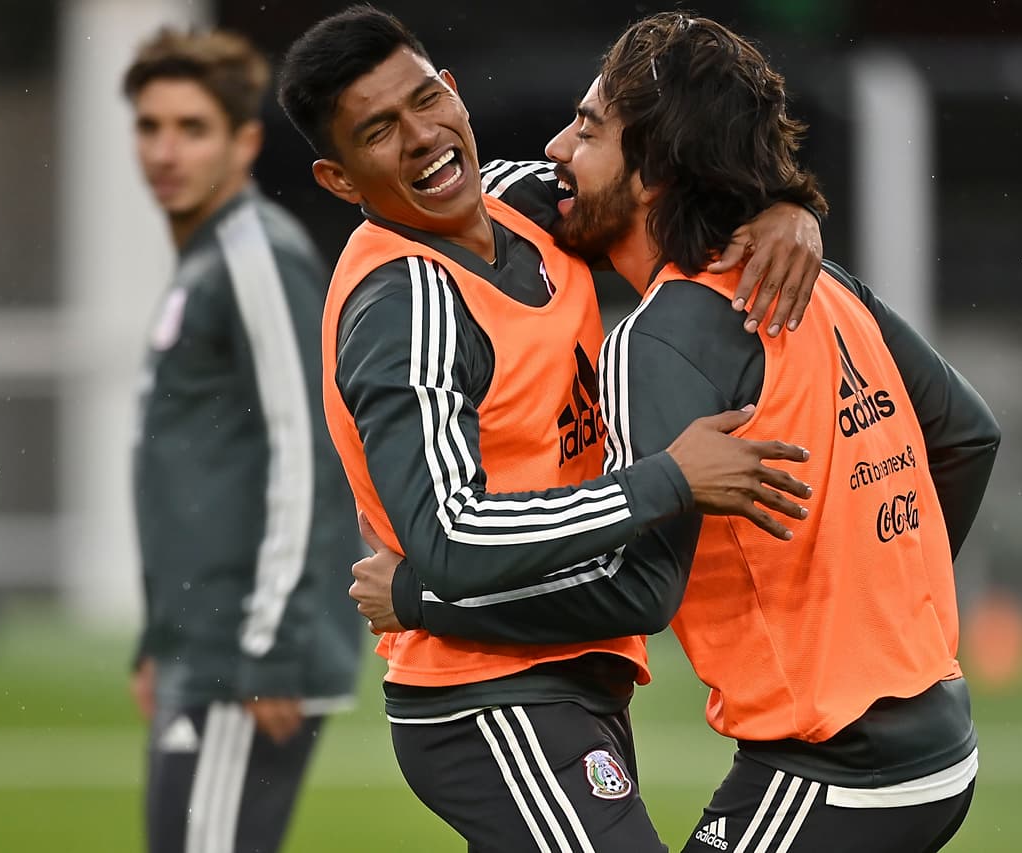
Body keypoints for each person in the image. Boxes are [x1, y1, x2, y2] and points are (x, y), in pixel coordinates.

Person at [354, 12, 1001, 853]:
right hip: (937, 739)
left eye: (587, 128)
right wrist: (871, 610)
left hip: (841, 768)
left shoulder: (655, 341)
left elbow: (636, 590)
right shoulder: (829, 285)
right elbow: (969, 436)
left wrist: (422, 597)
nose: (556, 146)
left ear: (655, 170)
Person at [275, 6, 824, 851]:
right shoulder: (404, 310)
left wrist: (786, 210)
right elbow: (447, 536)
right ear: (340, 181)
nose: (422, 136)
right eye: (379, 131)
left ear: (454, 92)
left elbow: (661, 184)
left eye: (426, 100)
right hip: (486, 694)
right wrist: (668, 479)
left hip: (567, 674)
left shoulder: (521, 200)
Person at [123, 29, 363, 853]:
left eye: (192, 128)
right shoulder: (203, 261)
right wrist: (163, 636)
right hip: (205, 645)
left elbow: (307, 452)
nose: (165, 149)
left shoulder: (255, 255)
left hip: (245, 653)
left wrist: (267, 650)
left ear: (245, 141)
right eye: (150, 126)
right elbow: (190, 470)